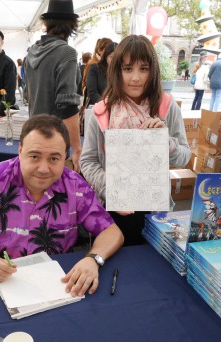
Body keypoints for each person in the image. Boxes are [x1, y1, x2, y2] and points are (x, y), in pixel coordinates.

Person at [0, 114, 124, 296]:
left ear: (65, 157)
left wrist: (94, 259)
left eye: (54, 159)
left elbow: (111, 232)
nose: (43, 169)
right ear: (20, 151)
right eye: (35, 156)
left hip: (58, 283)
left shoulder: (75, 185)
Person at [80, 35, 191, 246]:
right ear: (117, 70)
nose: (136, 78)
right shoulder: (101, 111)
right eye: (128, 69)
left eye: (144, 68)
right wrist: (114, 189)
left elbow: (185, 156)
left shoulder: (167, 107)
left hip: (154, 209)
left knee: (153, 266)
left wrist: (165, 142)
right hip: (113, 208)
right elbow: (88, 162)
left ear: (153, 71)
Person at [25, 0, 82, 172]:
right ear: (72, 25)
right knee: (56, 195)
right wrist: (77, 147)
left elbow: (28, 95)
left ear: (47, 23)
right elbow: (67, 106)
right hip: (54, 141)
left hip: (32, 135)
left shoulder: (32, 52)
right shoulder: (67, 53)